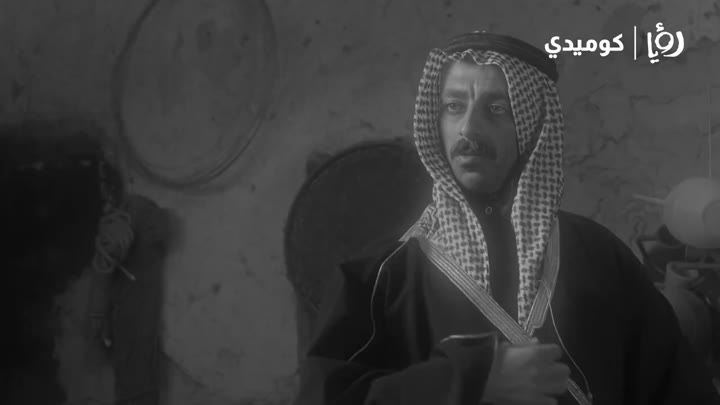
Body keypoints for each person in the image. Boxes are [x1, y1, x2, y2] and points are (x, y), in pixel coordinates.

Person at [293, 31, 720, 405]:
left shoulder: (599, 257)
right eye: (454, 107)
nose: (468, 131)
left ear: (534, 127)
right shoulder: (384, 279)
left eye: (497, 109)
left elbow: (681, 391)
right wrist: (469, 381)